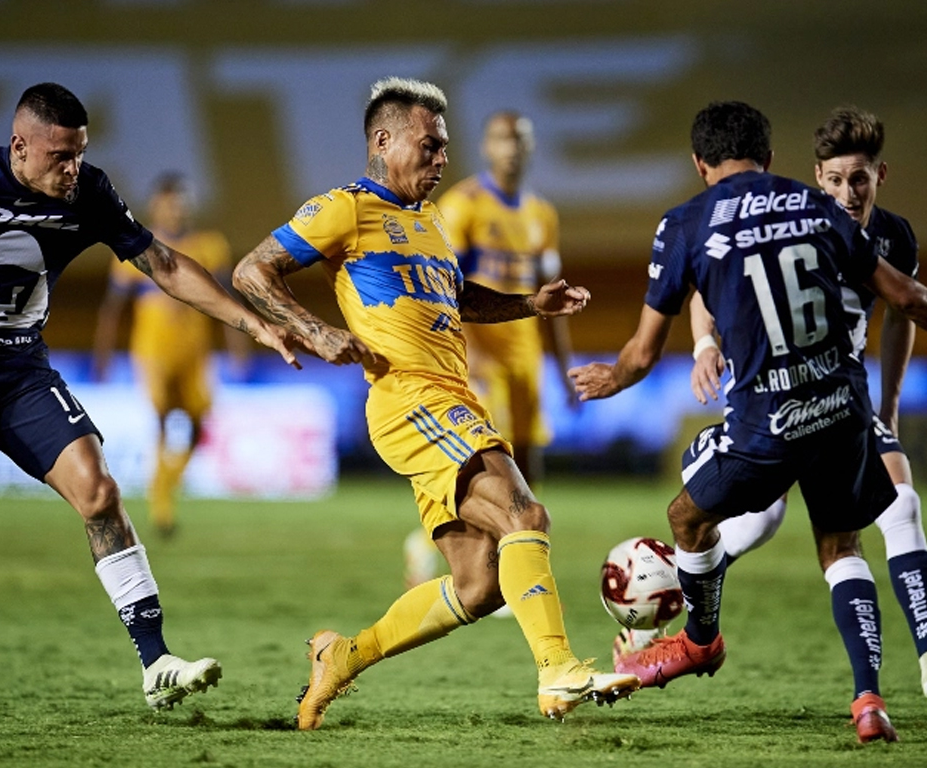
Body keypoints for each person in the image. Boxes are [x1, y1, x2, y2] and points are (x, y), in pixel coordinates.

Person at [232, 76, 640, 730]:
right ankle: (559, 668)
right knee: (523, 509)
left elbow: (458, 298)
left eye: (445, 148)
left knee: (478, 585)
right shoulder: (345, 209)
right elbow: (252, 270)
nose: (442, 159)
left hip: (449, 399)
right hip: (408, 397)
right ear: (383, 139)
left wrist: (530, 304)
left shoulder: (427, 223)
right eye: (429, 146)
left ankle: (342, 655)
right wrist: (313, 331)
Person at [0, 83, 302, 709]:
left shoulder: (90, 195)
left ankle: (156, 660)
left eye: (80, 154)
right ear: (20, 147)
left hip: (19, 374)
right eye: (60, 156)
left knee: (100, 493)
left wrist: (251, 322)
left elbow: (164, 264)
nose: (73, 168)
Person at [569, 101, 927, 744]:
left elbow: (643, 354)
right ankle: (868, 701)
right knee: (842, 547)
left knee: (686, 513)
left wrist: (610, 378)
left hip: (766, 418)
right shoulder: (815, 205)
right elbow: (906, 298)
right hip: (843, 408)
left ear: (700, 163)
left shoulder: (685, 222)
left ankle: (700, 641)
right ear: (768, 157)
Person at [402, 111, 575, 593]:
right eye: (503, 139)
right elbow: (447, 286)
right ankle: (454, 550)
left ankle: (510, 557)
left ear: (532, 146)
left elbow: (549, 293)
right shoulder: (463, 207)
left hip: (525, 355)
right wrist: (470, 352)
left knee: (530, 460)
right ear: (485, 147)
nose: (513, 148)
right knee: (490, 466)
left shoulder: (541, 213)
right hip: (481, 357)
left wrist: (564, 369)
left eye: (521, 138)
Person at [93, 173, 249, 536]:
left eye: (180, 203)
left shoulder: (210, 245)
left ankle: (168, 482)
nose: (175, 211)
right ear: (155, 206)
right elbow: (112, 308)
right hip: (153, 353)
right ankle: (161, 507)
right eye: (168, 204)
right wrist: (103, 353)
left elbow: (227, 299)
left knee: (198, 424)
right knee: (162, 419)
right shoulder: (134, 245)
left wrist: (238, 345)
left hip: (195, 353)